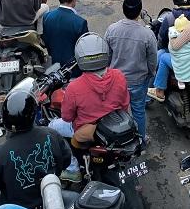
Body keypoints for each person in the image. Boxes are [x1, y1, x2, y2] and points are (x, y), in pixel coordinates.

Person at [0, 90, 71, 209]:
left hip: (16, 206)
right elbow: (66, 160)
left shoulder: (0, 154)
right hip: (50, 196)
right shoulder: (51, 134)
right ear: (32, 114)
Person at [49, 32, 130, 183]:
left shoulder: (74, 87)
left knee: (52, 127)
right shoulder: (119, 75)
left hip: (85, 130)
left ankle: (72, 169)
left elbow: (67, 117)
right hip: (113, 128)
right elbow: (125, 105)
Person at [105, 0, 157, 144]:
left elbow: (107, 56)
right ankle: (141, 140)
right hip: (138, 81)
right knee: (138, 111)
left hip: (115, 81)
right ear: (140, 11)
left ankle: (118, 141)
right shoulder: (147, 34)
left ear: (123, 10)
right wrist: (150, 73)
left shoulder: (112, 30)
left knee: (117, 112)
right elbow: (153, 60)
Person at [42, 0, 89, 76]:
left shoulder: (47, 17)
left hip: (55, 68)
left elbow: (46, 41)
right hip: (74, 71)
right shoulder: (80, 22)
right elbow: (84, 50)